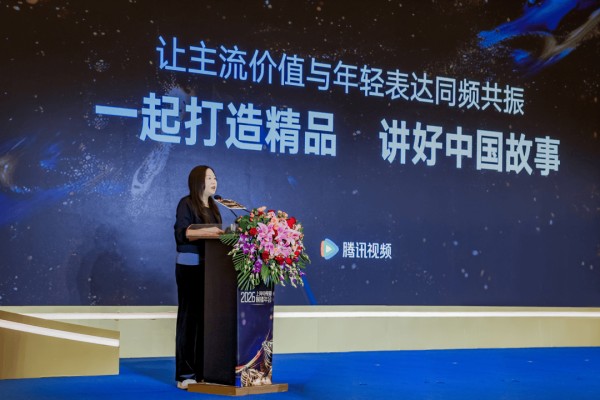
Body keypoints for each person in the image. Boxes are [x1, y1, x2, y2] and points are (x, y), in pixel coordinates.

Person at [173, 165, 223, 389]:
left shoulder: (215, 207)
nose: (214, 181)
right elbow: (182, 233)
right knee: (189, 320)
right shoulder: (186, 203)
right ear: (197, 181)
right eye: (209, 177)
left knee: (206, 320)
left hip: (211, 268)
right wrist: (208, 232)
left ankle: (203, 371)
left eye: (215, 177)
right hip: (190, 267)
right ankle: (185, 374)